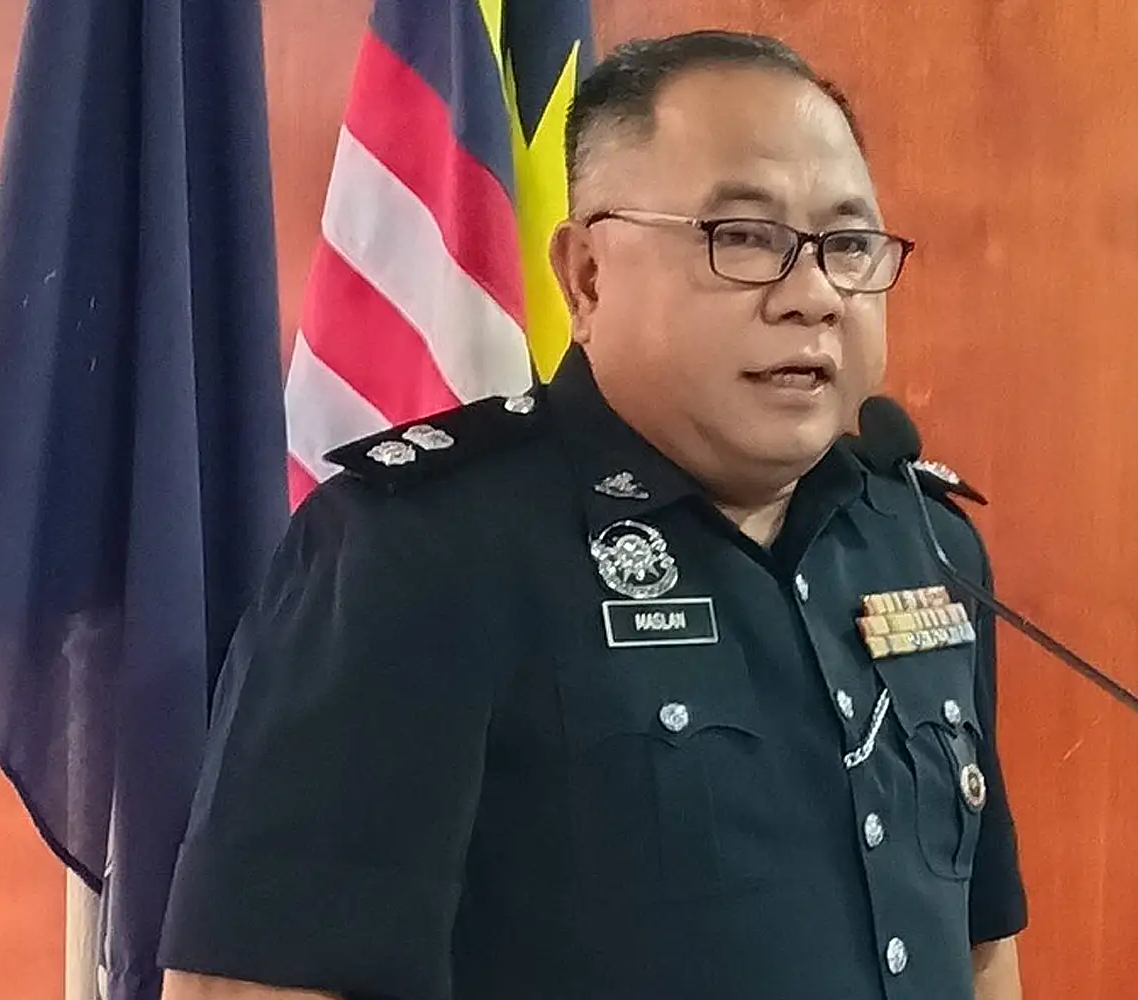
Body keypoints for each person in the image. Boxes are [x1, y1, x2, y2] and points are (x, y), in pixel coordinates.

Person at [158, 29, 1026, 1000]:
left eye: (849, 245)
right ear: (587, 276)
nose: (814, 295)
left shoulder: (923, 542)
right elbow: (255, 983)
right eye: (744, 237)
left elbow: (978, 943)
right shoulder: (424, 550)